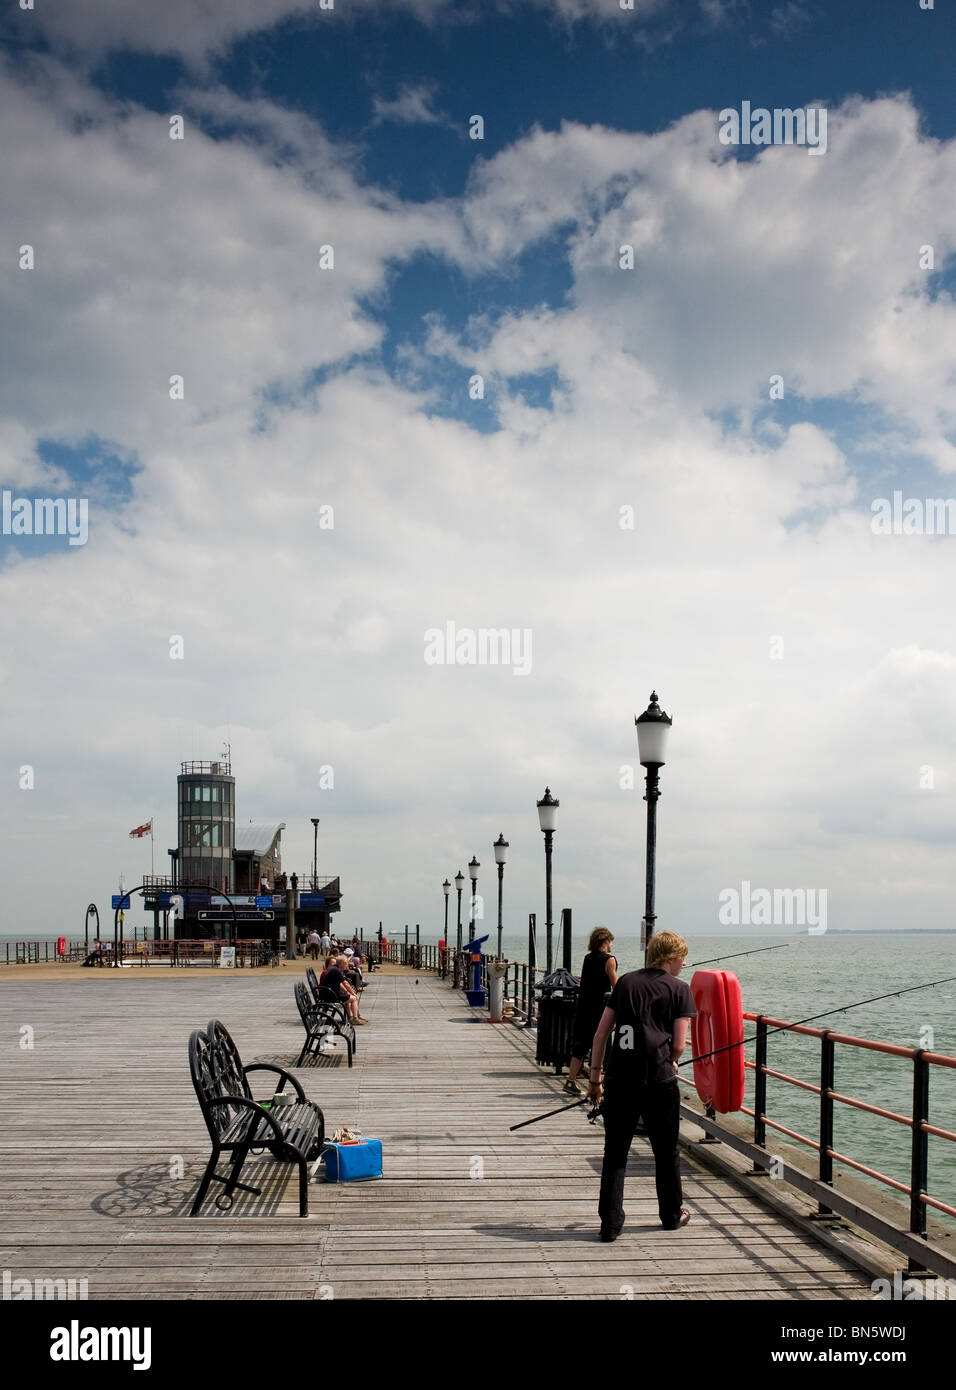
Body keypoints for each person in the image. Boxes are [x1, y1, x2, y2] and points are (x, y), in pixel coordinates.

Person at [587, 931, 697, 1241]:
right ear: (669, 958)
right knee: (665, 1151)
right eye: (681, 957)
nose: (684, 963)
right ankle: (671, 1215)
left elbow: (600, 1035)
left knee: (615, 1153)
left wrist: (595, 1079)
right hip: (659, 1081)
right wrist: (672, 1060)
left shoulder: (626, 983)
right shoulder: (680, 989)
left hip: (620, 1080)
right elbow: (678, 1044)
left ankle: (610, 1223)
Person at [564, 927, 618, 1095]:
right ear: (606, 941)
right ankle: (599, 1083)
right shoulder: (610, 960)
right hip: (601, 1008)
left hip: (583, 1007)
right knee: (602, 1044)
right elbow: (616, 985)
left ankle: (570, 1081)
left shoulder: (588, 958)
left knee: (580, 1044)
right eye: (610, 942)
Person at [322, 953, 369, 1025]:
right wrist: (352, 993)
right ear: (341, 964)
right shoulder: (336, 970)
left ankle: (351, 1017)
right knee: (354, 998)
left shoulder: (334, 969)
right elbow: (345, 983)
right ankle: (355, 1018)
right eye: (346, 964)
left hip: (329, 993)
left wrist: (347, 992)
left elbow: (340, 984)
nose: (347, 965)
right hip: (332, 995)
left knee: (351, 997)